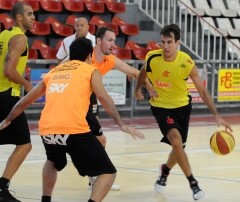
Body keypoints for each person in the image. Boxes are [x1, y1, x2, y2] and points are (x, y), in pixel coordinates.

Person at [0, 37, 145, 202]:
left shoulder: (55, 71)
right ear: (89, 56)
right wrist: (121, 123)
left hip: (47, 130)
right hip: (73, 129)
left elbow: (25, 101)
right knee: (108, 172)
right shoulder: (90, 70)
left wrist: (8, 119)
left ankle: (45, 200)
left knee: (52, 160)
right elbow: (102, 96)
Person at [134, 24, 233, 200]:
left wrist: (216, 114)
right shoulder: (152, 57)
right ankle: (193, 183)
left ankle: (165, 171)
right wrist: (138, 89)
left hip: (182, 107)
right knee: (177, 142)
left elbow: (202, 91)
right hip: (161, 107)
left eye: (169, 42)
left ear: (178, 42)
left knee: (178, 148)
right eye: (162, 42)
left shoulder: (186, 61)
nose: (165, 47)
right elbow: (143, 73)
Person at [0, 2, 35, 202]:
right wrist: (28, 85)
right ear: (19, 17)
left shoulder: (3, 35)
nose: (33, 18)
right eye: (30, 14)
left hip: (1, 93)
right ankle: (2, 187)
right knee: (24, 144)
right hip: (8, 95)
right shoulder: (20, 38)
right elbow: (9, 71)